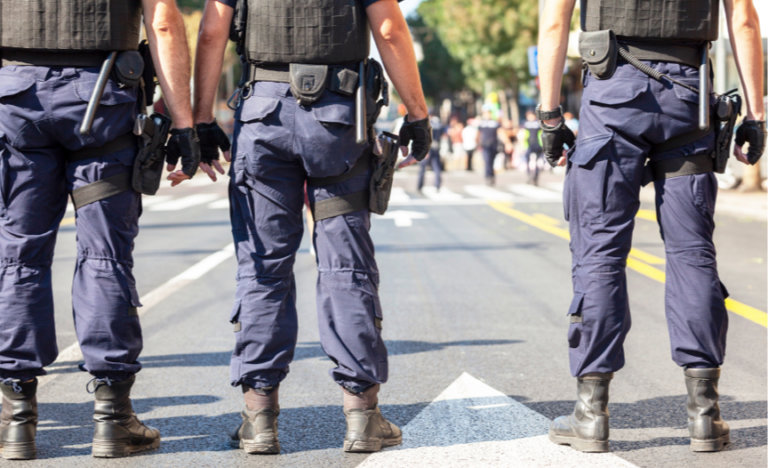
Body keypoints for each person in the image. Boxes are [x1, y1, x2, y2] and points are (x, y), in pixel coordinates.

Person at [193, 0, 431, 455]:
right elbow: (389, 29)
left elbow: (211, 34)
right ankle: (361, 416)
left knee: (263, 267)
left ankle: (259, 418)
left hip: (263, 114)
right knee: (346, 266)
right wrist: (417, 113)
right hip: (337, 118)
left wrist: (200, 120)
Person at [538, 0, 765, 453]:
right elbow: (743, 18)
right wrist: (756, 114)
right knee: (692, 252)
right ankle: (705, 414)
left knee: (600, 254)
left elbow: (554, 21)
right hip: (688, 98)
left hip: (612, 97)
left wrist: (549, 116)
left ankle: (591, 414)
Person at [0, 0, 201, 460]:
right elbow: (165, 22)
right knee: (104, 257)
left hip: (16, 98)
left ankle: (16, 418)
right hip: (101, 100)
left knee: (18, 255)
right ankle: (112, 416)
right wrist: (186, 124)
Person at [417, 113, 444, 193]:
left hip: (428, 148)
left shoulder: (427, 124)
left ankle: (420, 186)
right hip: (436, 147)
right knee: (436, 167)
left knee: (422, 168)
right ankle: (437, 185)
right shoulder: (439, 124)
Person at [477, 109, 501, 185]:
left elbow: (500, 133)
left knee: (491, 162)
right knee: (487, 161)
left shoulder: (495, 123)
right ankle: (488, 176)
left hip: (493, 145)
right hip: (485, 146)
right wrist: (477, 143)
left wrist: (507, 143)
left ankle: (492, 175)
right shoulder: (481, 123)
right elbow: (478, 134)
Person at [522, 110, 544, 185]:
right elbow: (524, 135)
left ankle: (535, 176)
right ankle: (529, 175)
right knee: (527, 160)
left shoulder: (538, 124)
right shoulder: (526, 124)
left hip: (538, 145)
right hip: (529, 145)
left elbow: (541, 135)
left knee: (538, 162)